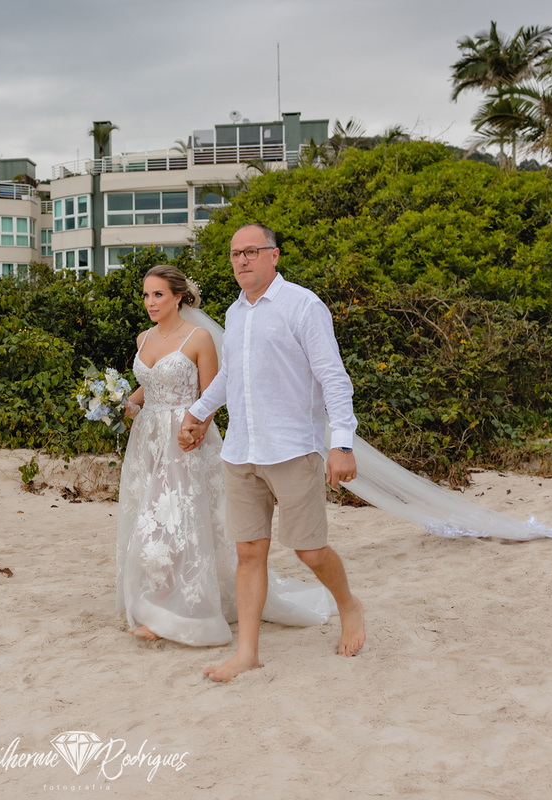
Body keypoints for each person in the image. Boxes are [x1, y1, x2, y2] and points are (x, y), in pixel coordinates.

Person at [179, 223, 366, 681]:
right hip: (241, 451)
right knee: (247, 552)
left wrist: (341, 443)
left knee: (310, 550)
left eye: (251, 251)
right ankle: (247, 653)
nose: (242, 260)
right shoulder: (236, 313)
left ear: (273, 255)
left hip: (291, 448)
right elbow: (230, 376)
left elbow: (334, 378)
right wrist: (200, 412)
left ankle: (348, 604)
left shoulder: (303, 305)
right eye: (235, 253)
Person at [116, 264, 336, 646]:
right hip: (148, 440)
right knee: (147, 520)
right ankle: (157, 601)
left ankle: (181, 612)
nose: (150, 302)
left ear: (179, 297)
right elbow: (148, 387)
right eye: (147, 295)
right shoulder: (143, 338)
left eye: (158, 295)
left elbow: (214, 392)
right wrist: (121, 404)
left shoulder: (199, 338)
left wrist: (197, 428)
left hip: (186, 438)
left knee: (179, 523)